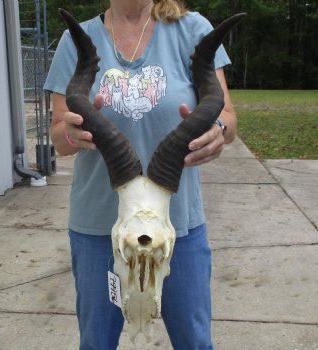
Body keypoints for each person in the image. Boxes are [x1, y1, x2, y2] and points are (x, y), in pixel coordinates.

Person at [44, 0, 237, 349]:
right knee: (97, 342)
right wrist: (73, 133)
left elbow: (226, 114)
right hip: (99, 228)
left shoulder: (192, 30)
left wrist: (218, 131)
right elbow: (59, 136)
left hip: (177, 226)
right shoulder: (77, 39)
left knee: (194, 341)